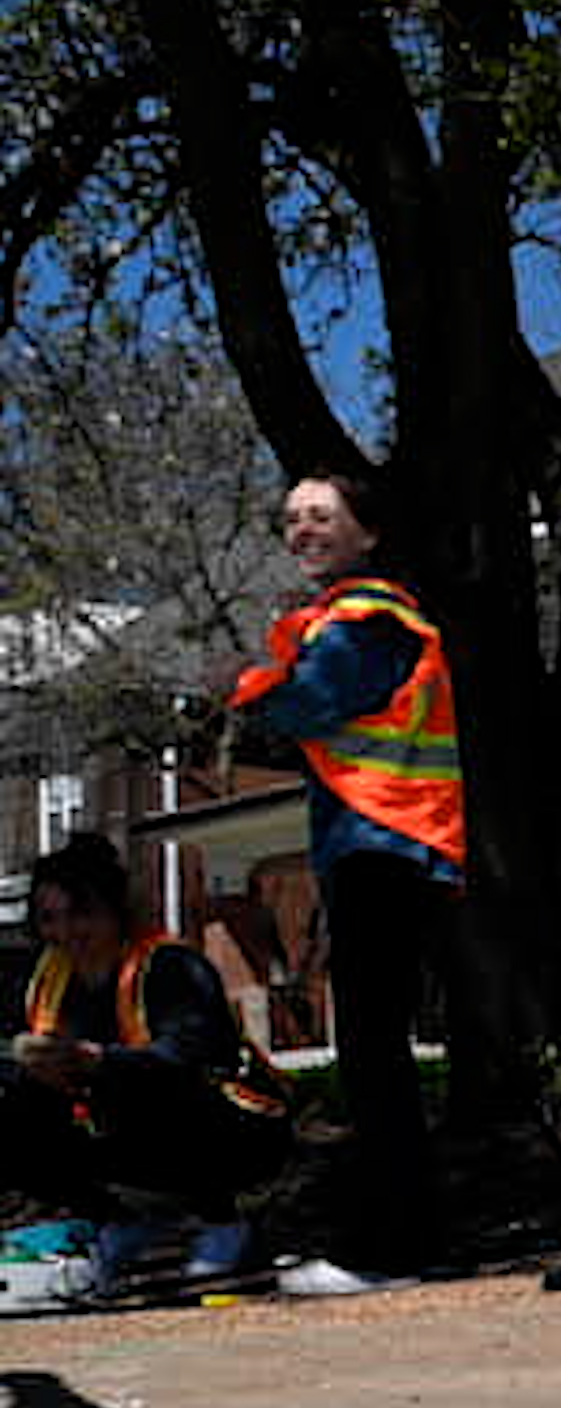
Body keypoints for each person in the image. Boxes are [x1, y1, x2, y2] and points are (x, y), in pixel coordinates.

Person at [225, 470, 467, 1294]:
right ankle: (407, 1235)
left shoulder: (366, 620)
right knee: (376, 1049)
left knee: (372, 1052)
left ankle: (392, 1248)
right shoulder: (359, 619)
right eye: (292, 519)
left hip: (384, 843)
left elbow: (312, 706)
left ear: (368, 533)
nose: (302, 530)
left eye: (322, 516)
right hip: (386, 845)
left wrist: (262, 692)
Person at [2, 835, 293, 1284]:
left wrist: (95, 1059)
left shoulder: (169, 964)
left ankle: (222, 1221)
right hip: (116, 1122)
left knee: (151, 1084)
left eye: (82, 914)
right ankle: (122, 1222)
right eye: (49, 919)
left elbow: (187, 1055)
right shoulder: (44, 979)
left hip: (233, 1123)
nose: (66, 932)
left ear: (115, 911)